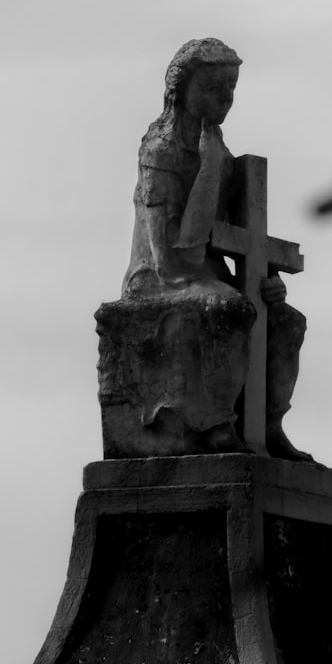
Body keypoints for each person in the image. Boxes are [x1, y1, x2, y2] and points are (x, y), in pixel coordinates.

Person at [123, 38, 310, 461]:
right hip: (160, 278)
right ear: (181, 91)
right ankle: (215, 426)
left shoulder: (219, 149)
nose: (224, 98)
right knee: (229, 311)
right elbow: (177, 257)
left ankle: (266, 426)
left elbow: (240, 237)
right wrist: (208, 169)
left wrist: (267, 277)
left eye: (231, 87)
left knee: (287, 322)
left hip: (209, 275)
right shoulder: (161, 152)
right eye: (212, 88)